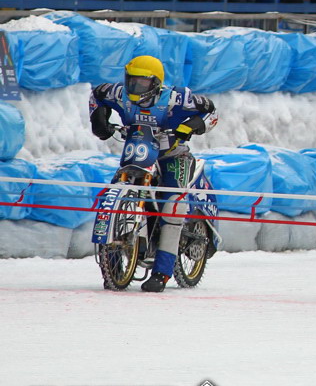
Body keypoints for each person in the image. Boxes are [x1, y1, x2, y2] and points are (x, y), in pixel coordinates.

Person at [89, 56, 219, 292]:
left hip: (173, 155)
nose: (134, 88)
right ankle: (115, 265)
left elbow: (211, 111)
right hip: (137, 154)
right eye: (131, 81)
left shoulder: (177, 98)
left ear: (156, 83)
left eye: (141, 83)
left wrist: (191, 126)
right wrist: (98, 119)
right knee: (114, 191)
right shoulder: (118, 93)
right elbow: (96, 95)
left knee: (173, 205)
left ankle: (162, 272)